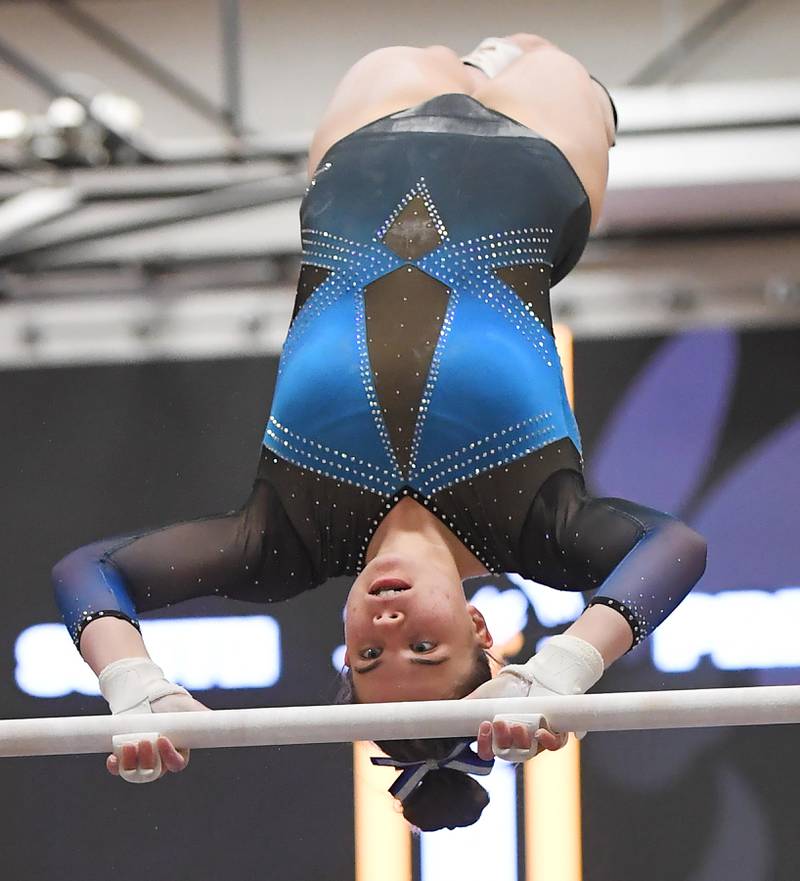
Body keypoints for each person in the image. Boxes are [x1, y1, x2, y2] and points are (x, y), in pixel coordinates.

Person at [51, 34, 706, 828]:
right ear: (481, 631)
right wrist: (562, 671)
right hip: (539, 158)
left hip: (366, 145)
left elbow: (90, 570)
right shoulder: (539, 530)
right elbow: (675, 547)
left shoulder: (285, 539)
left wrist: (135, 685)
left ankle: (476, 62)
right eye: (425, 650)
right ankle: (547, 76)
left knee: (414, 52)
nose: (389, 630)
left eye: (367, 655)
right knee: (548, 58)